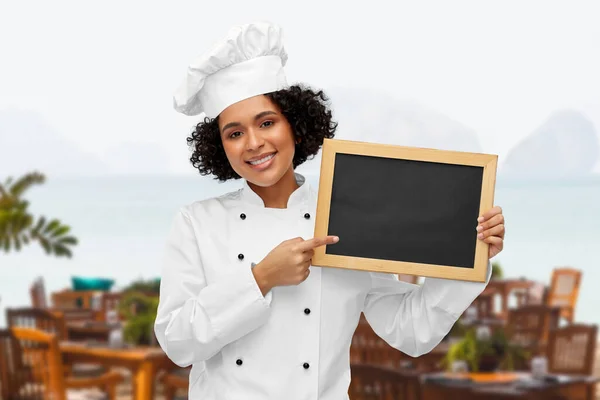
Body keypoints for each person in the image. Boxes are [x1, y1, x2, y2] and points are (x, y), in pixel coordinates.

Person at [154, 21, 506, 399]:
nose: (254, 143)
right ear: (220, 147)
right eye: (235, 133)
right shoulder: (196, 223)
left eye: (267, 123)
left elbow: (411, 331)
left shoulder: (347, 215)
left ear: (296, 127)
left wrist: (470, 252)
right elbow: (179, 344)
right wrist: (261, 278)